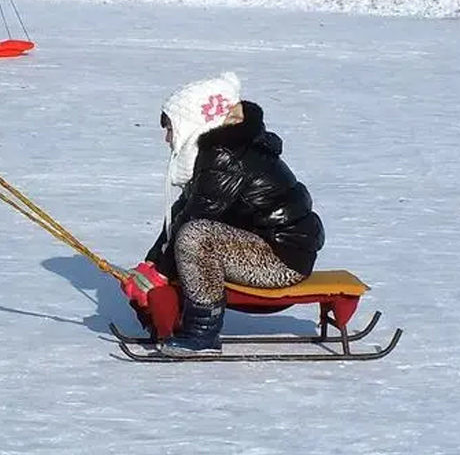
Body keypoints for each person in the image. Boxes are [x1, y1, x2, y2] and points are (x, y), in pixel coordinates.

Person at [122, 72, 325, 356]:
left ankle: (202, 334)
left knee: (195, 237)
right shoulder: (216, 154)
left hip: (283, 258)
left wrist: (160, 275)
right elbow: (181, 212)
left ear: (192, 124)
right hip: (264, 247)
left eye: (171, 128)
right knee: (192, 234)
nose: (167, 139)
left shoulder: (224, 155)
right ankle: (185, 321)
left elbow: (196, 221)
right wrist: (152, 265)